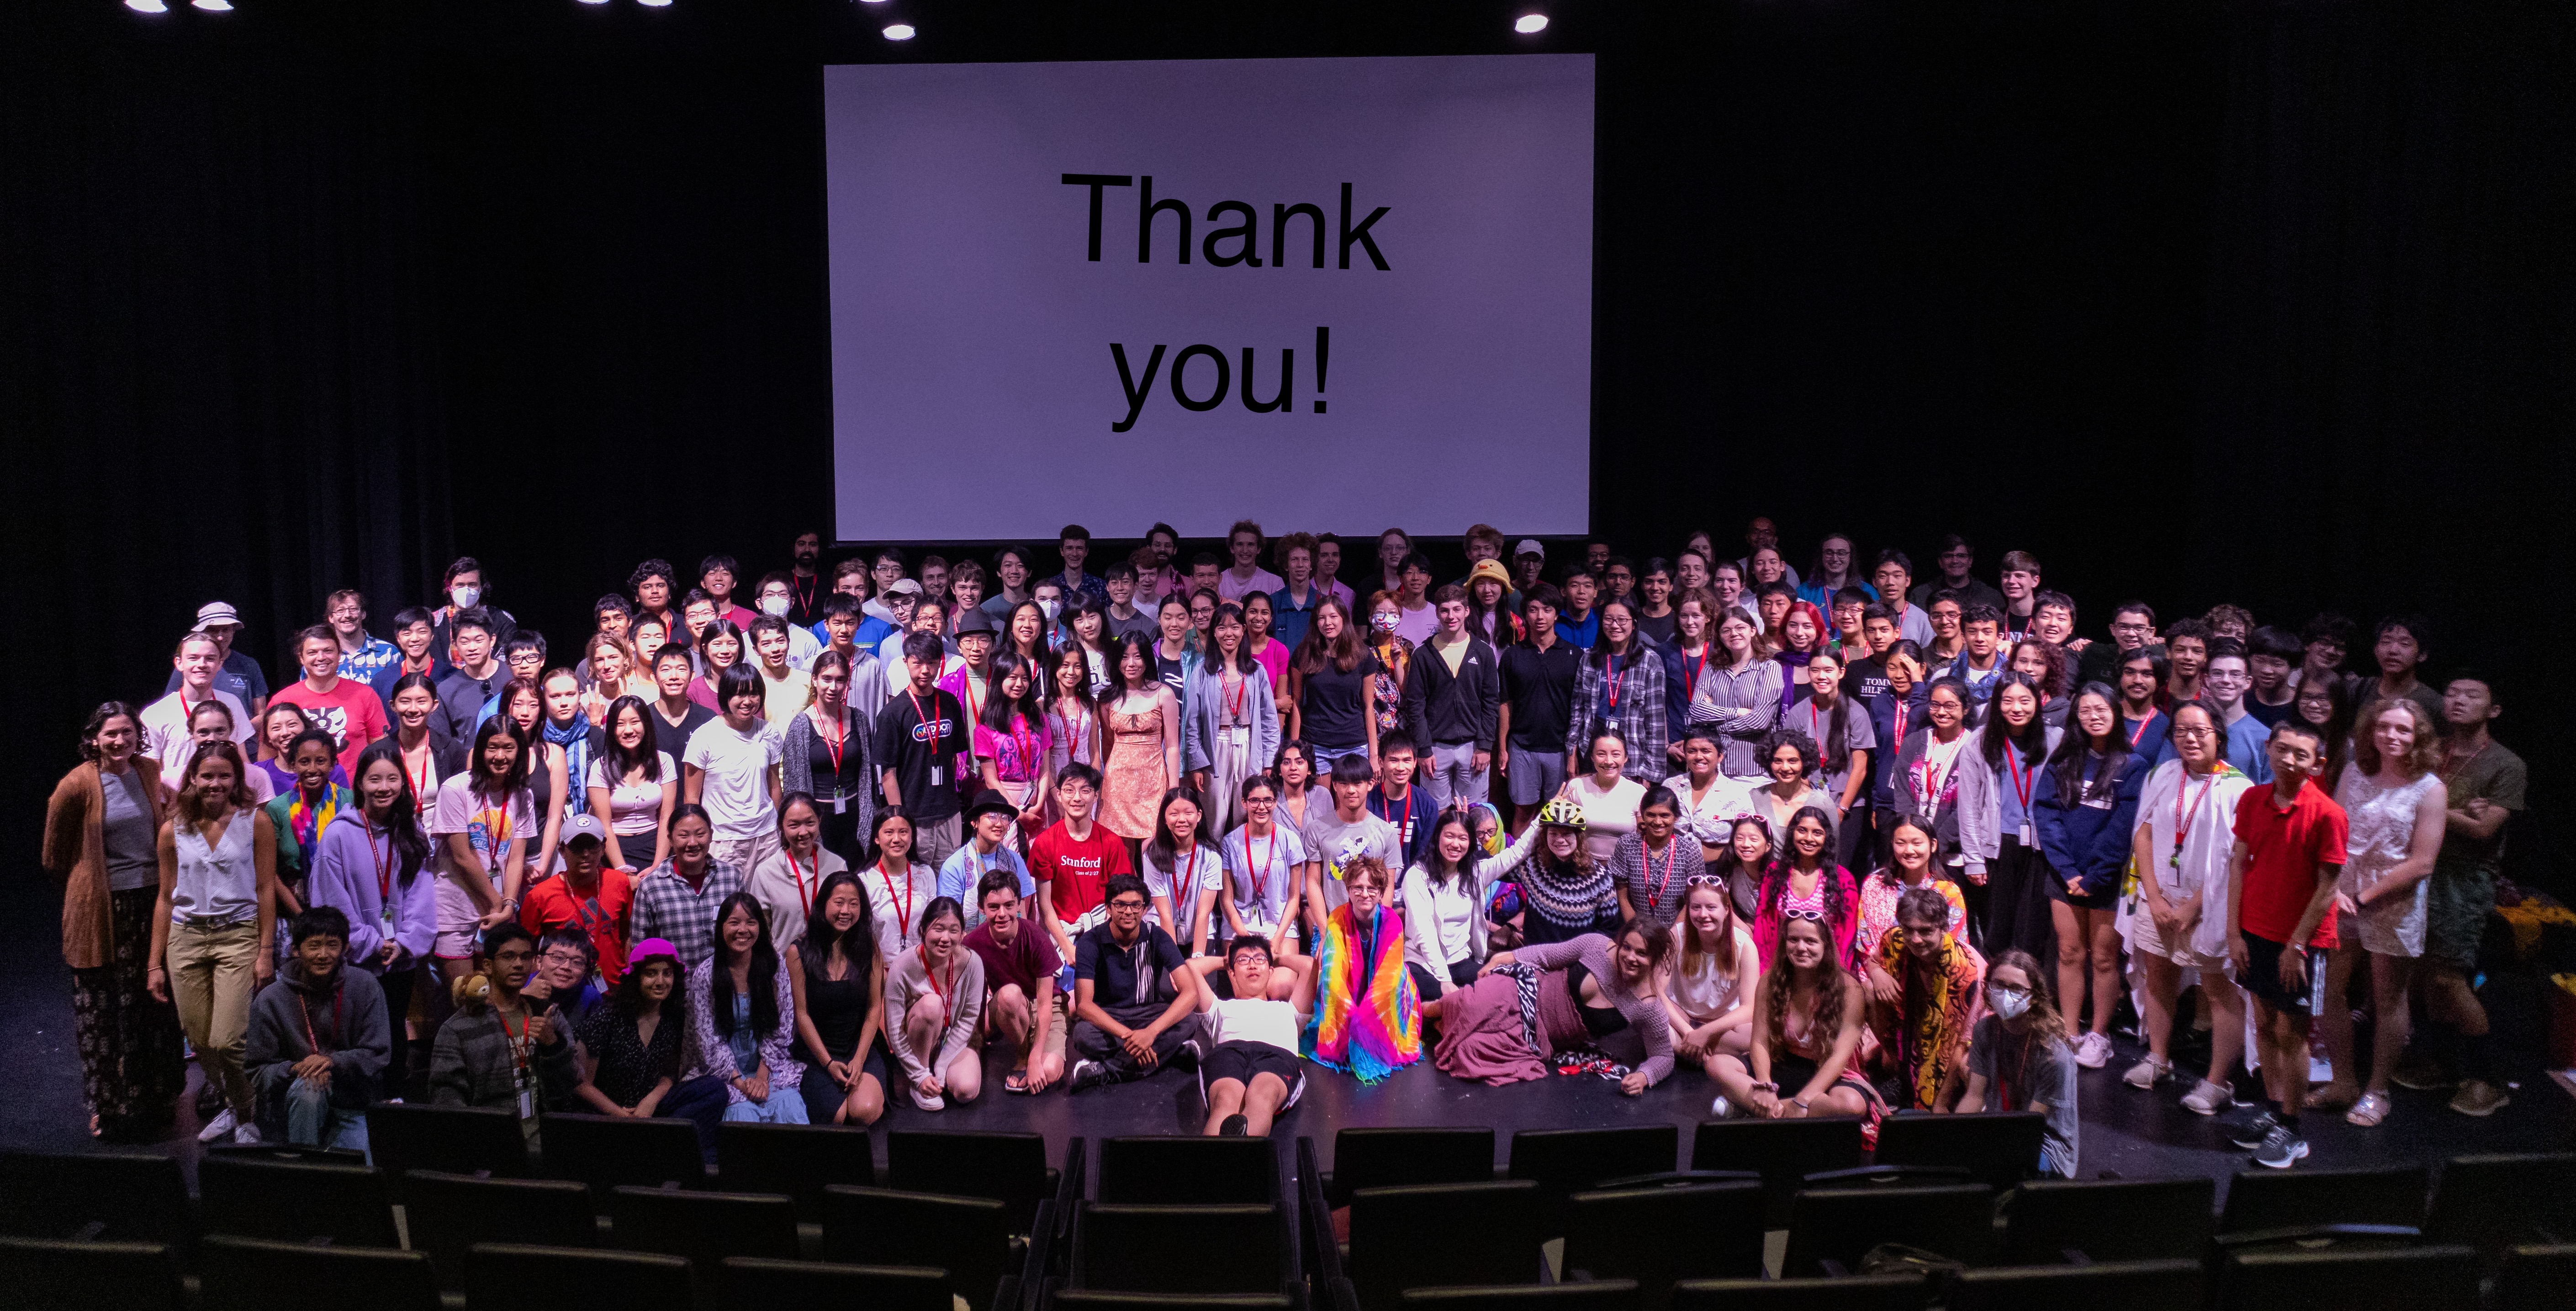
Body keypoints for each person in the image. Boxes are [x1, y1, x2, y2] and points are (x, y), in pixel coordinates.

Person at [44, 704, 186, 1140]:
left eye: (127, 732)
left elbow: (171, 817)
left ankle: (158, 1096)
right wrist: (89, 881)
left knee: (155, 1005)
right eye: (111, 734)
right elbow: (53, 854)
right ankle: (108, 1105)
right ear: (94, 738)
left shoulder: (148, 770)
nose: (120, 741)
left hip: (154, 903)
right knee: (106, 1010)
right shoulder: (76, 783)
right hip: (106, 911)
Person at [2222, 719, 2349, 1169]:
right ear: (2268, 749)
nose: (2289, 760)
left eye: (2301, 754)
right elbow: (2237, 864)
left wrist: (2294, 944)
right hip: (2252, 932)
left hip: (2300, 943)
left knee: (2291, 1033)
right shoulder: (2252, 799)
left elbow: (2327, 887)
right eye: (2282, 750)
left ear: (2316, 763)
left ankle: (2293, 1130)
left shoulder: (2328, 814)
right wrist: (2233, 931)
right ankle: (2274, 1110)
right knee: (2262, 1023)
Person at [2315, 697, 2447, 1125]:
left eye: (2403, 729)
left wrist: (2366, 895)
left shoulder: (2429, 787)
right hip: (2343, 893)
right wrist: (2335, 889)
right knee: (2329, 991)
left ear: (2418, 737)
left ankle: (2377, 1091)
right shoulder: (2355, 772)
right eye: (2383, 727)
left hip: (2393, 900)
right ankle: (2342, 1081)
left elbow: (2422, 861)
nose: (2391, 735)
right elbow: (2333, 829)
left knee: (2388, 998)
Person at [2398, 674, 2526, 1116]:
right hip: (2421, 872)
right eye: (2451, 693)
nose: (2457, 701)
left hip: (2463, 880)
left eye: (2471, 695)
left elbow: (2483, 828)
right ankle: (2441, 1063)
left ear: (2492, 709)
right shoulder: (2434, 750)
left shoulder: (2505, 764)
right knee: (2425, 976)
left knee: (2449, 978)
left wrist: (2431, 806)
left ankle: (2485, 1079)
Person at [2119, 702, 2256, 1108]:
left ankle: (2217, 1082)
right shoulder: (2163, 774)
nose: (2190, 738)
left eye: (2199, 730)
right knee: (2158, 977)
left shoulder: (2237, 787)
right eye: (2180, 730)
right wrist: (2156, 896)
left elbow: (2234, 859)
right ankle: (2158, 1058)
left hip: (2209, 907)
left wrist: (2191, 907)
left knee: (2218, 991)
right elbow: (2142, 834)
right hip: (2158, 899)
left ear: (2218, 733)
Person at [150, 742, 282, 1131]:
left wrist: (266, 951)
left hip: (237, 935)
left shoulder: (254, 822)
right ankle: (235, 1102)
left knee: (228, 1039)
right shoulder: (172, 830)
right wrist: (152, 963)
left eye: (224, 775)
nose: (215, 783)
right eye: (207, 775)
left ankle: (246, 1111)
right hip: (186, 937)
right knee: (199, 1038)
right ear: (192, 777)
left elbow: (265, 889)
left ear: (236, 779)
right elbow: (164, 897)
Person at [306, 738, 437, 1097]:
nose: (384, 788)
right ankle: (360, 1100)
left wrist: (405, 941)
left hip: (400, 957)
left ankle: (394, 1094)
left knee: (395, 1024)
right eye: (375, 779)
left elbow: (421, 894)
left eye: (392, 779)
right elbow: (332, 902)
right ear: (360, 783)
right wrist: (372, 943)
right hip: (358, 959)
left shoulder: (413, 830)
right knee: (359, 1030)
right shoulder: (338, 833)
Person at [2032, 684, 2145, 1069]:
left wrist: (2095, 874)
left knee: (2102, 958)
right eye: (2085, 711)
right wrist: (2067, 870)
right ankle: (2069, 1031)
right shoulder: (2064, 760)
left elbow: (2123, 827)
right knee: (2068, 952)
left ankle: (2099, 1034)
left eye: (2101, 709)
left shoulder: (2133, 766)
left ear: (2115, 713)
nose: (2093, 716)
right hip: (2064, 875)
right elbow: (2045, 815)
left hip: (2107, 878)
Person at [1435, 918, 1673, 1094]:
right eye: (1627, 948)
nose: (1630, 957)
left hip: (1537, 1037)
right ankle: (1418, 1012)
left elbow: (1663, 1056)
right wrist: (1503, 958)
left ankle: (1444, 1023)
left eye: (1641, 954)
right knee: (1471, 1004)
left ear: (1656, 958)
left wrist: (1644, 1077)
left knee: (1470, 1051)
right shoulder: (1597, 946)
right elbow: (1548, 955)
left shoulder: (1649, 1007)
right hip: (1526, 989)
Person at [245, 905, 388, 1149]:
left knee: (358, 1172)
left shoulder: (365, 986)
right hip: (295, 1099)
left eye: (332, 945)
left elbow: (378, 1053)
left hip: (351, 1099)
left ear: (346, 948)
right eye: (314, 946)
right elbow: (257, 1069)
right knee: (309, 1089)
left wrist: (332, 1062)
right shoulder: (271, 999)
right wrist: (296, 1069)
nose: (323, 954)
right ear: (295, 949)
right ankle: (306, 1172)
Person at [428, 923, 582, 1140]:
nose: (519, 964)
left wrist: (553, 1046)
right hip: (490, 1143)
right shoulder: (459, 1028)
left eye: (525, 957)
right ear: (488, 966)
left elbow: (570, 1084)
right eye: (508, 957)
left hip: (546, 1138)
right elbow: (447, 1101)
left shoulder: (547, 1015)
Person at [429, 717, 534, 1013]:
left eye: (508, 748)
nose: (500, 756)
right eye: (492, 747)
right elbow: (462, 856)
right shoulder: (456, 788)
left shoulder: (522, 793)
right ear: (480, 750)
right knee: (468, 1002)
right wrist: (497, 904)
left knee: (500, 1002)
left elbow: (516, 856)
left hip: (498, 909)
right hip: (457, 907)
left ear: (519, 751)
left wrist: (510, 903)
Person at [1948, 949, 2080, 1177]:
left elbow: (2030, 1127)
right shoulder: (1985, 1030)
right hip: (2002, 1132)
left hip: (2045, 1146)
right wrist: (1954, 1135)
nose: (2005, 994)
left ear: (2035, 996)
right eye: (1998, 985)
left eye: (2016, 988)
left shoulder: (2053, 1054)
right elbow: (1974, 1096)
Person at [1066, 874, 1204, 1092]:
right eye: (1120, 905)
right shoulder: (1090, 942)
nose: (1128, 912)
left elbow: (1191, 993)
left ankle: (1105, 1070)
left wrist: (1150, 1033)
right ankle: (1172, 1053)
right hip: (1110, 1018)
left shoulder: (1157, 936)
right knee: (1083, 1036)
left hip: (1149, 1014)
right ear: (1108, 908)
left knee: (1188, 1021)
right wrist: (1129, 1037)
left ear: (1145, 909)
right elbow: (1084, 1005)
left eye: (1135, 905)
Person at [1301, 857, 1422, 1082]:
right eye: (1358, 887)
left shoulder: (1393, 921)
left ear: (1381, 892)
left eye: (1371, 888)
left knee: (1396, 981)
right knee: (1330, 984)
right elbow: (1333, 970)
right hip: (1351, 988)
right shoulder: (1337, 918)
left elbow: (1390, 974)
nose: (1365, 894)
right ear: (1348, 890)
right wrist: (1350, 1013)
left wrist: (1365, 1019)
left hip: (1386, 989)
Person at [1863, 886, 1981, 1111]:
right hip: (1916, 1016)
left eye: (1926, 931)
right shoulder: (1896, 940)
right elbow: (1873, 961)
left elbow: (1957, 1043)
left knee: (1966, 1065)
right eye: (1909, 930)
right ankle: (1896, 1066)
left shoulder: (1964, 968)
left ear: (1944, 929)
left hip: (1965, 1038)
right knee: (1869, 989)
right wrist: (1878, 975)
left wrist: (1941, 1102)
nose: (1916, 940)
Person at [787, 872, 889, 1125]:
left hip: (858, 1047)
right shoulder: (798, 952)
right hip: (817, 1052)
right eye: (839, 902)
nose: (846, 910)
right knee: (838, 1117)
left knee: (863, 1111)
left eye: (854, 904)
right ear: (823, 905)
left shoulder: (870, 947)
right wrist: (829, 1063)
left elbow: (875, 1008)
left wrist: (859, 1058)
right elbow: (802, 1015)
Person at [1195, 937, 1318, 1136]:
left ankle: (1245, 1151)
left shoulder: (1289, 1010)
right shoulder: (1220, 1008)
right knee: (1226, 1100)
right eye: (1244, 960)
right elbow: (1192, 968)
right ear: (1232, 974)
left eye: (1259, 959)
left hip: (1276, 1056)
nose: (1252, 965)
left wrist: (1275, 959)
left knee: (1262, 1095)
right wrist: (1226, 961)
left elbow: (1310, 965)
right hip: (1230, 1053)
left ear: (1271, 971)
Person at [965, 870, 1066, 1094]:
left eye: (1009, 905)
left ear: (1019, 905)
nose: (1002, 914)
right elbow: (977, 999)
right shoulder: (972, 944)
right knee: (1009, 995)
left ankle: (1031, 1052)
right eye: (994, 907)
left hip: (1043, 1004)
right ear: (982, 908)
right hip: (1007, 1003)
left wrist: (1036, 1057)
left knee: (1048, 1072)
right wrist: (977, 1041)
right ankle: (1021, 1055)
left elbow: (1046, 1004)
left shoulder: (1036, 937)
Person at [1400, 586, 1500, 812]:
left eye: (1457, 610)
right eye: (1444, 611)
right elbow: (1416, 706)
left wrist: (1485, 746)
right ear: (1437, 614)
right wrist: (1424, 749)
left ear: (1467, 612)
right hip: (1435, 748)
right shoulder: (1423, 654)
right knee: (1437, 814)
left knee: (1474, 813)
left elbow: (1491, 703)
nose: (1451, 616)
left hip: (1473, 747)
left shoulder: (1483, 652)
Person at [1184, 604, 1279, 837]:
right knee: (1214, 815)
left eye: (1235, 627)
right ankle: (1213, 868)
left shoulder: (1256, 670)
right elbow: (1192, 721)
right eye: (1222, 628)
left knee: (1245, 811)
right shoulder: (1202, 671)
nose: (1229, 633)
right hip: (1215, 746)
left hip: (1248, 743)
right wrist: (1197, 763)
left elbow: (1269, 719)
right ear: (1214, 633)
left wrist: (1268, 760)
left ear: (1244, 630)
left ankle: (1240, 869)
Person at [878, 632, 971, 867]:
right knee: (918, 881)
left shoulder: (950, 704)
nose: (925, 670)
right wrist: (899, 818)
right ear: (906, 663)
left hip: (949, 813)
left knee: (949, 882)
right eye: (918, 663)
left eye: (931, 663)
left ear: (940, 663)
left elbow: (953, 756)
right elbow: (888, 774)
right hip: (914, 816)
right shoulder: (893, 713)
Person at [1664, 878, 1761, 1107]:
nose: (1703, 914)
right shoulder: (1676, 936)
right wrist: (1690, 1032)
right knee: (1654, 1021)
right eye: (1696, 908)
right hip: (1682, 1021)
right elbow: (1657, 993)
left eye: (1711, 907)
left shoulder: (1745, 945)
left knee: (1753, 1035)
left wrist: (1705, 1032)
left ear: (1727, 910)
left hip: (1722, 1027)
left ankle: (1690, 1053)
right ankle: (1707, 1056)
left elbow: (1749, 1009)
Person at [883, 897, 986, 1111]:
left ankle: (939, 1073)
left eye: (954, 930)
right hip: (918, 1044)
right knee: (932, 1005)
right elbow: (894, 1031)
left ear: (963, 933)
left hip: (955, 1042)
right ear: (923, 929)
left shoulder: (973, 963)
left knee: (966, 1090)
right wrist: (920, 1076)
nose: (945, 938)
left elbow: (968, 1019)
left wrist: (941, 1067)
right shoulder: (902, 966)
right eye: (938, 929)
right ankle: (918, 1082)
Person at [571, 935, 685, 1120]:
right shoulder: (608, 1018)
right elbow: (581, 1084)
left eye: (667, 973)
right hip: (601, 1116)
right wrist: (621, 1116)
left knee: (711, 1090)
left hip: (648, 1113)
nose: (660, 981)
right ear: (636, 978)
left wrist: (652, 1100)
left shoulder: (673, 1018)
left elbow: (669, 1074)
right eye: (651, 973)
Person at [1498, 585, 1581, 832]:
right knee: (1524, 812)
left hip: (1559, 748)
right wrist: (1503, 748)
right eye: (1533, 610)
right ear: (1525, 615)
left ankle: (1550, 867)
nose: (1540, 616)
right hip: (1522, 746)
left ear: (1557, 615)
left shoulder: (1574, 655)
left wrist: (1572, 752)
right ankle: (1519, 868)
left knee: (1556, 812)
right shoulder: (1513, 656)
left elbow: (1579, 708)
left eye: (1547, 610)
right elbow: (1505, 704)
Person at [1788, 649, 1877, 872]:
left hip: (1848, 807)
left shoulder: (1857, 713)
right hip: (1809, 802)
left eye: (1828, 670)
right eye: (1815, 670)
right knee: (1808, 869)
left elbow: (1860, 768)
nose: (1821, 676)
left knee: (1838, 871)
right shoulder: (1799, 712)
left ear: (1841, 673)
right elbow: (1790, 759)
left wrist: (1841, 809)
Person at [629, 805, 746, 974]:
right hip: (675, 990)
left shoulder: (731, 878)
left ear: (711, 835)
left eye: (700, 834)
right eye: (684, 836)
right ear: (670, 839)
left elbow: (745, 932)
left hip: (723, 985)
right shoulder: (652, 887)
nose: (693, 843)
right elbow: (640, 946)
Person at [1565, 601, 1667, 787]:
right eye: (1609, 620)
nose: (1614, 626)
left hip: (1633, 752)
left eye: (1622, 620)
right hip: (1593, 749)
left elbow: (1656, 720)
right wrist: (1571, 751)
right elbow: (1577, 710)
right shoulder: (1589, 659)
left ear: (1634, 624)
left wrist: (1651, 771)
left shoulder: (1650, 661)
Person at [1301, 753, 1405, 934]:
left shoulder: (1386, 833)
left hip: (1373, 926)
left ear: (1370, 785)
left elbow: (1388, 886)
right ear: (1334, 785)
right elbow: (1313, 882)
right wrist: (1326, 932)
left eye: (1357, 784)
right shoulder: (1316, 829)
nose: (1351, 790)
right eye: (1344, 784)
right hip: (1332, 925)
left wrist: (1378, 928)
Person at [1400, 807, 1486, 1017]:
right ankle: (1446, 1011)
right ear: (1437, 836)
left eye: (1463, 838)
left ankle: (1444, 1012)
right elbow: (1425, 934)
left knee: (1497, 984)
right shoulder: (1417, 876)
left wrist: (1545, 816)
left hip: (1460, 963)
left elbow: (1516, 854)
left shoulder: (1474, 872)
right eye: (1449, 836)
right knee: (1409, 988)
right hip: (1423, 965)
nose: (1455, 844)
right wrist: (1444, 981)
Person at [270, 625, 389, 775]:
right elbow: (268, 757)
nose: (321, 658)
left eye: (328, 651)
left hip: (353, 794)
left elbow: (381, 751)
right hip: (298, 794)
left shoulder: (365, 695)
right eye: (312, 652)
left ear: (339, 654)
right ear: (301, 658)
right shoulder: (282, 700)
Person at [1752, 807, 1859, 971]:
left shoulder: (1843, 879)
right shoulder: (1774, 874)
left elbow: (1847, 934)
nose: (1809, 838)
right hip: (1782, 966)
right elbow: (1763, 928)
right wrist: (1766, 973)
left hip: (1827, 969)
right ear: (1792, 834)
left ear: (1827, 838)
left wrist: (1838, 975)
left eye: (1817, 833)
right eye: (1802, 831)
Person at [1857, 815, 1969, 963]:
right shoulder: (1874, 884)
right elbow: (1864, 938)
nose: (1909, 850)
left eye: (1917, 843)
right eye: (1901, 843)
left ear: (1933, 845)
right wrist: (1876, 972)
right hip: (1879, 971)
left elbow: (1955, 946)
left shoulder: (1949, 893)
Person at [1289, 597, 1382, 771]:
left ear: (1344, 619)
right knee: (1320, 799)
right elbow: (1296, 703)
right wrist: (1295, 750)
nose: (1327, 623)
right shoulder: (1304, 654)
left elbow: (1369, 706)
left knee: (1351, 798)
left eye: (1333, 617)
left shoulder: (1363, 655)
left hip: (1354, 745)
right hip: (1315, 745)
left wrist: (1374, 755)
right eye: (1321, 618)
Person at [142, 633, 254, 777]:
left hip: (225, 794)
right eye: (193, 658)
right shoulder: (155, 714)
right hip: (179, 797)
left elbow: (242, 758)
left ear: (220, 664)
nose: (202, 665)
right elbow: (150, 772)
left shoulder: (232, 703)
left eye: (210, 659)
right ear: (179, 663)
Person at [588, 695, 677, 873]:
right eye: (620, 724)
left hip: (655, 846)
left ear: (646, 724)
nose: (628, 730)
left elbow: (666, 817)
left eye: (635, 722)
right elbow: (604, 824)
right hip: (615, 849)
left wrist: (658, 866)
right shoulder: (601, 767)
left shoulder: (664, 761)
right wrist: (623, 869)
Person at [1697, 610, 1781, 778]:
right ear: (1720, 636)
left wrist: (1716, 728)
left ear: (1753, 631)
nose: (1734, 634)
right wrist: (1735, 713)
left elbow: (1759, 721)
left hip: (1754, 771)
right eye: (1726, 630)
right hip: (1715, 772)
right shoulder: (1711, 668)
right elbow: (1697, 711)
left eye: (1740, 628)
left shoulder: (1769, 668)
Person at [1606, 786, 1706, 922]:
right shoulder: (1627, 845)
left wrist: (1674, 935)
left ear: (1676, 817)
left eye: (1665, 816)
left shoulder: (1689, 850)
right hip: (1636, 928)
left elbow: (1694, 898)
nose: (1658, 822)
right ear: (1643, 815)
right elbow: (1622, 895)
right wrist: (1637, 932)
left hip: (1677, 930)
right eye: (1651, 815)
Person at [938, 790, 1037, 927]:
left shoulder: (1015, 861)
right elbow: (949, 920)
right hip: (968, 943)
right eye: (992, 816)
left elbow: (1022, 915)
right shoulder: (955, 865)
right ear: (975, 822)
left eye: (1005, 818)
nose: (999, 824)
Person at [164, 601, 271, 719]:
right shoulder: (188, 666)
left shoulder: (249, 665)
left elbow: (261, 714)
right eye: (213, 630)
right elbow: (170, 708)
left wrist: (238, 732)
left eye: (226, 630)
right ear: (202, 632)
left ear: (233, 631)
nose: (220, 637)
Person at [1666, 728, 1753, 868]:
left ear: (1720, 756)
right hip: (1673, 867)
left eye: (1706, 751)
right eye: (1692, 751)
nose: (1699, 757)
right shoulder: (1671, 786)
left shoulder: (1737, 794)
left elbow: (1748, 836)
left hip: (1718, 869)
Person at [857, 810, 934, 956]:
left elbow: (932, 922)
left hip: (920, 963)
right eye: (889, 832)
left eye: (903, 832)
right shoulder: (864, 880)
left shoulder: (925, 873)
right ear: (877, 838)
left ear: (912, 838)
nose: (897, 839)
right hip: (882, 968)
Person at [2200, 640, 2276, 784]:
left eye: (2235, 674)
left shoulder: (2265, 738)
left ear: (2248, 682)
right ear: (2207, 680)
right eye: (2218, 673)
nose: (2226, 680)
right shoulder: (2187, 728)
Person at [1748, 728, 1839, 845]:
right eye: (1778, 761)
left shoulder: (1823, 804)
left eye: (1793, 761)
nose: (1785, 768)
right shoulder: (1755, 798)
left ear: (1804, 763)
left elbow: (1832, 850)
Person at [430, 610, 508, 743]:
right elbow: (442, 743)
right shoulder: (445, 691)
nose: (472, 648)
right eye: (465, 642)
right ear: (454, 644)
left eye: (479, 640)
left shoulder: (513, 675)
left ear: (492, 640)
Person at [2361, 615, 2443, 720]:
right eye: (2386, 642)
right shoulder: (2360, 689)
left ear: (2422, 655)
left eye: (2405, 644)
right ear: (2376, 650)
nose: (2393, 650)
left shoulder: (2434, 703)